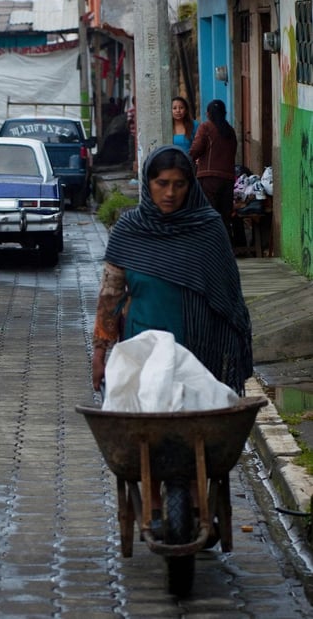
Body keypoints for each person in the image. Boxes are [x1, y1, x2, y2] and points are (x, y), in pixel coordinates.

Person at [92, 145, 253, 528]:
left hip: (200, 348)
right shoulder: (130, 229)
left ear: (189, 186)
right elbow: (111, 295)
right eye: (161, 183)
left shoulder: (208, 228)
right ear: (148, 185)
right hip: (144, 345)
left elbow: (228, 295)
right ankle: (153, 506)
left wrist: (233, 346)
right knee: (148, 428)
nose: (169, 192)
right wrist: (101, 350)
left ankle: (197, 502)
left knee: (194, 427)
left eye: (179, 184)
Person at [189, 99, 237, 239]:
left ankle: (211, 247)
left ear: (208, 113)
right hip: (228, 178)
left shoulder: (206, 127)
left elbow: (196, 149)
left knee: (209, 213)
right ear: (224, 113)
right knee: (224, 216)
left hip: (209, 178)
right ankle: (226, 248)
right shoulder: (230, 131)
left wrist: (186, 160)